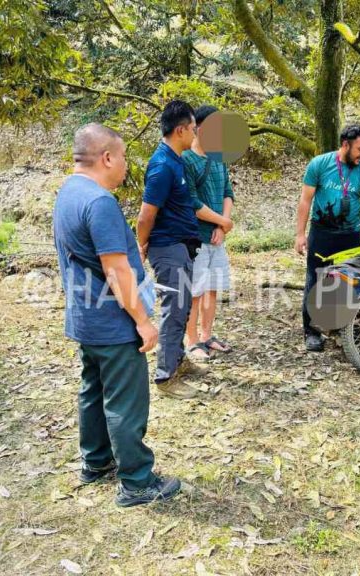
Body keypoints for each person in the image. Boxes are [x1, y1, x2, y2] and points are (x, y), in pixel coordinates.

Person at [53, 123, 180, 507]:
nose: (126, 165)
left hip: (85, 318)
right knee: (125, 401)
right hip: (113, 322)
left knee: (93, 391)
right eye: (123, 157)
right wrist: (142, 319)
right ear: (107, 157)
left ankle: (96, 462)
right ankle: (137, 482)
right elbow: (116, 270)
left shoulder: (67, 192)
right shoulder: (100, 202)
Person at [295, 124, 360, 352]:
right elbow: (305, 200)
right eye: (359, 149)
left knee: (347, 283)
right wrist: (300, 235)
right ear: (345, 144)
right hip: (322, 233)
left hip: (350, 235)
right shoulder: (319, 164)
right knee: (316, 280)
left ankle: (342, 329)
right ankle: (311, 331)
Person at [137, 100, 207, 398]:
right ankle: (166, 377)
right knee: (174, 310)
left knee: (183, 306)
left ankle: (178, 361)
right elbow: (146, 214)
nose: (195, 134)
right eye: (193, 129)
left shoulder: (177, 159)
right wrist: (141, 246)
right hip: (167, 248)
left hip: (182, 246)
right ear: (180, 130)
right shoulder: (162, 165)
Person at [182, 105, 235, 361]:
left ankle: (206, 335)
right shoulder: (186, 160)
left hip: (217, 236)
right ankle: (191, 340)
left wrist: (222, 226)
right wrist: (222, 222)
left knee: (212, 289)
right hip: (196, 238)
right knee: (195, 291)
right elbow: (191, 203)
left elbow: (228, 193)